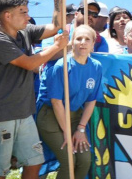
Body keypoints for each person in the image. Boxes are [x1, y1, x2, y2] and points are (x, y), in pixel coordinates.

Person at [0, 0, 69, 179]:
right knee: (1, 171)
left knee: (35, 162)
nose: (29, 17)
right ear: (7, 15)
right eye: (23, 12)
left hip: (24, 112)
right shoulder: (0, 39)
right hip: (3, 115)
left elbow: (56, 26)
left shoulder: (25, 32)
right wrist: (56, 47)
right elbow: (30, 64)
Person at [36, 25, 102, 179]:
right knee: (69, 161)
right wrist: (67, 133)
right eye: (78, 39)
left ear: (93, 44)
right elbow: (56, 102)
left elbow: (91, 101)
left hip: (74, 116)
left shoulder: (96, 67)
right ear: (72, 42)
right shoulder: (62, 66)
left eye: (87, 39)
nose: (83, 42)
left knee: (85, 161)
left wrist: (80, 129)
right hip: (51, 116)